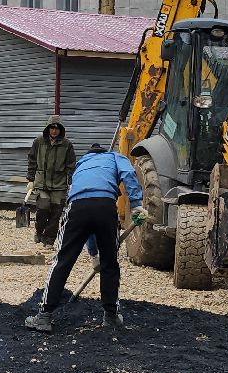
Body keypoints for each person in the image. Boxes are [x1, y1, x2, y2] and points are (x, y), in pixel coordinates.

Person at [27, 143, 146, 333]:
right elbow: (129, 175)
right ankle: (111, 316)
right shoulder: (115, 157)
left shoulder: (81, 164)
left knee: (62, 261)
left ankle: (44, 317)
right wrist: (137, 204)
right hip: (106, 207)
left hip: (77, 208)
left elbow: (87, 218)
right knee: (110, 264)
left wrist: (92, 254)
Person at [26, 116, 75, 246]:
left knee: (55, 213)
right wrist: (30, 178)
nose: (54, 131)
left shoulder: (67, 145)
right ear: (48, 128)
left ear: (61, 130)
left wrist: (71, 182)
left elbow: (71, 165)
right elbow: (32, 160)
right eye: (52, 128)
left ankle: (49, 240)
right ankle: (39, 231)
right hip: (42, 183)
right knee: (42, 209)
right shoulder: (39, 142)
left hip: (59, 185)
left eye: (57, 128)